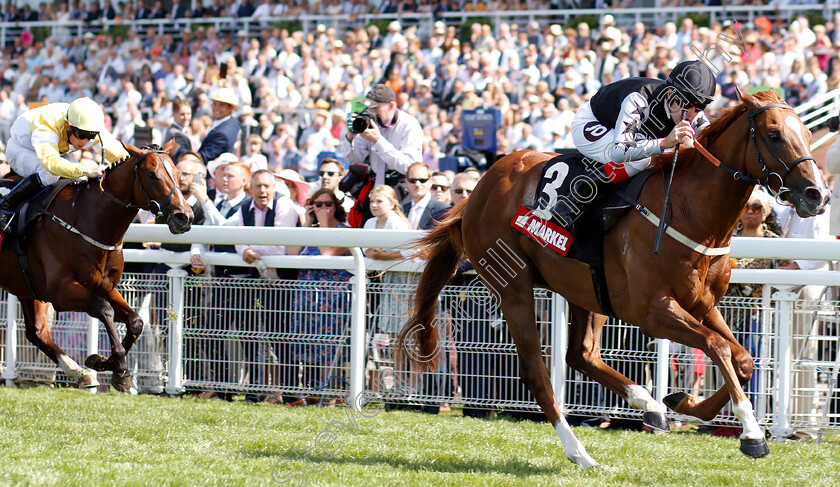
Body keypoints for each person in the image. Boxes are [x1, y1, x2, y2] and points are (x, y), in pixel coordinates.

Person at [531, 60, 716, 229]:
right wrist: (663, 143)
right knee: (642, 159)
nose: (692, 113)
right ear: (670, 94)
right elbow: (619, 153)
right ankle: (571, 202)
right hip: (593, 123)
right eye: (687, 104)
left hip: (632, 133)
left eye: (699, 106)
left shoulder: (694, 114)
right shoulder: (639, 98)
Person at [0, 97, 126, 231]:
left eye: (91, 136)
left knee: (81, 179)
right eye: (81, 135)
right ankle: (6, 205)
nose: (85, 142)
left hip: (57, 152)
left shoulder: (87, 124)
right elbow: (52, 163)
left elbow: (119, 153)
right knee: (50, 174)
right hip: (20, 149)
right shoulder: (48, 121)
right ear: (67, 126)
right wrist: (86, 170)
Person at [232, 169, 300, 403]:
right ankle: (255, 390)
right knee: (248, 333)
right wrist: (246, 250)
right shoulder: (244, 207)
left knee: (279, 336)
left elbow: (281, 245)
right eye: (258, 186)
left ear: (274, 188)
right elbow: (239, 240)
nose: (262, 191)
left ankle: (291, 392)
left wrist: (251, 250)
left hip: (281, 282)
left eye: (266, 186)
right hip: (255, 279)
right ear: (250, 188)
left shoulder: (286, 206)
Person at [287, 188, 353, 403]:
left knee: (329, 345)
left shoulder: (343, 229)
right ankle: (316, 389)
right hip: (307, 297)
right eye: (318, 204)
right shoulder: (311, 229)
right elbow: (290, 252)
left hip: (333, 299)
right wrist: (307, 223)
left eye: (328, 204)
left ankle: (330, 391)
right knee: (309, 344)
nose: (323, 208)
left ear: (336, 207)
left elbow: (327, 253)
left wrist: (324, 222)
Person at [338, 84, 422, 222]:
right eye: (369, 107)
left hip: (400, 187)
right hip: (376, 185)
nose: (372, 111)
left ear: (391, 106)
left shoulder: (409, 125)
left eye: (376, 107)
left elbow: (409, 166)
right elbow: (353, 159)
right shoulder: (369, 123)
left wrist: (378, 141)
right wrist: (349, 137)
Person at [197, 87, 241, 165]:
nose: (216, 108)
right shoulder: (233, 121)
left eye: (221, 105)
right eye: (214, 104)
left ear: (230, 108)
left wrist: (179, 150)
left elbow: (204, 157)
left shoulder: (222, 133)